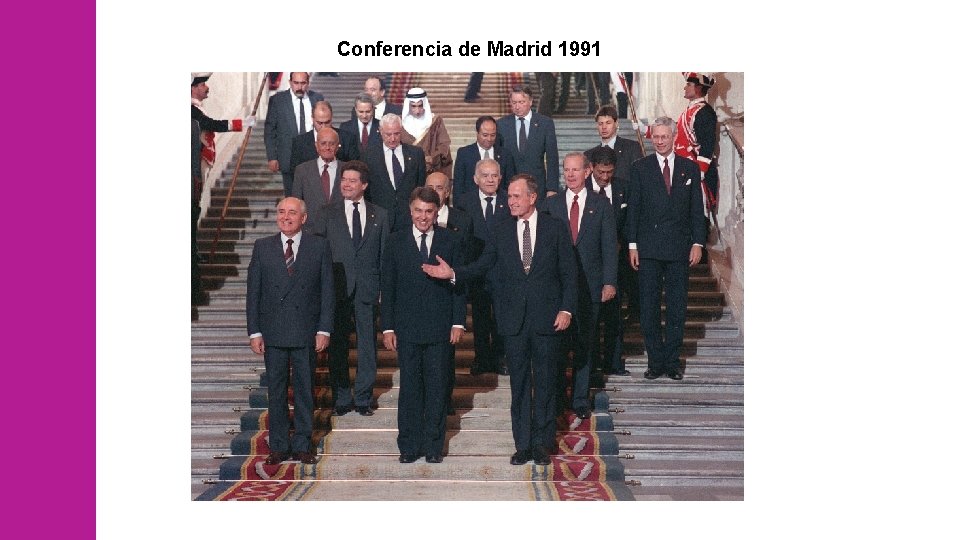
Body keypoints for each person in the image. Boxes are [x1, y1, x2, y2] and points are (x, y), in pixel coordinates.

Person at [424, 175, 577, 466]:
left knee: (546, 383)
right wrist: (454, 273)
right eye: (509, 197)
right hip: (513, 321)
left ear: (533, 198)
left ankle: (542, 444)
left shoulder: (555, 227)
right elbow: (484, 264)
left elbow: (569, 273)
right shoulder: (501, 227)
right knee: (519, 385)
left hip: (548, 319)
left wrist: (566, 309)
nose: (511, 201)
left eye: (517, 196)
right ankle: (523, 445)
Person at [246, 197, 334, 465]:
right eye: (281, 212)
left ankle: (303, 444)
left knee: (305, 390)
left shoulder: (319, 246)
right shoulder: (262, 247)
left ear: (303, 218)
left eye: (292, 213)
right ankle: (279, 445)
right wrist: (254, 332)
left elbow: (327, 291)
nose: (285, 217)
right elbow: (253, 293)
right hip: (273, 332)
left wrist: (324, 329)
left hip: (306, 331)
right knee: (276, 391)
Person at [381, 187, 466, 464]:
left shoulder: (450, 240)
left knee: (437, 388)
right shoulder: (395, 241)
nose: (423, 216)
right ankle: (408, 445)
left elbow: (458, 285)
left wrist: (458, 322)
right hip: (406, 329)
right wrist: (388, 327)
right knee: (410, 389)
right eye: (418, 210)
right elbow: (388, 286)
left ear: (436, 212)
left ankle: (433, 446)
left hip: (440, 328)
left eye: (429, 211)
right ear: (410, 211)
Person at [627, 117, 705, 381]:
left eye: (664, 137)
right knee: (648, 309)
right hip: (648, 249)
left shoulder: (689, 168)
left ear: (674, 137)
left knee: (676, 308)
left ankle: (672, 362)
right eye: (656, 137)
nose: (659, 141)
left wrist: (697, 243)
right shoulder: (640, 168)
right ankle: (655, 362)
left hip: (679, 249)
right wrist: (632, 245)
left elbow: (697, 210)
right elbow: (634, 210)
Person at [541, 153, 617, 419]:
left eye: (575, 170)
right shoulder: (551, 205)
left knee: (585, 343)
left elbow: (609, 246)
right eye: (566, 170)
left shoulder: (601, 204)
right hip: (558, 289)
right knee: (559, 345)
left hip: (590, 286)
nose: (570, 175)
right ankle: (559, 396)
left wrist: (609, 281)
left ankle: (580, 398)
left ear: (587, 172)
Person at [312, 161, 390, 417]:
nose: (346, 184)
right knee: (338, 347)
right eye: (343, 179)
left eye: (352, 180)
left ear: (364, 185)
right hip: (336, 290)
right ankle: (342, 399)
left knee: (368, 347)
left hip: (368, 289)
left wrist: (383, 290)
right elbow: (319, 255)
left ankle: (364, 398)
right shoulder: (326, 212)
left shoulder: (380, 215)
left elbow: (383, 257)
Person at [453, 158, 510, 376]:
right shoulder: (464, 201)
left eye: (494, 175)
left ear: (500, 178)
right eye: (485, 176)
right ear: (476, 179)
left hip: (502, 270)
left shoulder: (509, 199)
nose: (490, 180)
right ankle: (482, 358)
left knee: (501, 317)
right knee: (480, 317)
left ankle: (500, 357)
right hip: (476, 271)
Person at [425, 172, 474, 416]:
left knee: (446, 356)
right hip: (422, 297)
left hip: (450, 292)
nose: (434, 192)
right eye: (430, 187)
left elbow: (466, 260)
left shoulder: (462, 220)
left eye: (439, 188)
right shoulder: (415, 218)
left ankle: (445, 400)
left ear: (447, 192)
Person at [587, 146, 632, 376]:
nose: (605, 177)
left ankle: (613, 363)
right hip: (590, 264)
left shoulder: (623, 188)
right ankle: (593, 364)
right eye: (600, 172)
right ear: (591, 168)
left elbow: (630, 222)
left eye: (609, 172)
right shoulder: (582, 190)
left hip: (617, 263)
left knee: (615, 316)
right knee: (592, 318)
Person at [361, 113, 426, 230]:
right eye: (388, 134)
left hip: (409, 218)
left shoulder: (416, 154)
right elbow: (366, 189)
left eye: (396, 134)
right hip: (380, 219)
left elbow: (420, 185)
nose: (392, 139)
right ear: (381, 131)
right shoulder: (369, 155)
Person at [264, 72, 324, 196]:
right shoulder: (278, 100)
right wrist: (272, 157)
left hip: (313, 157)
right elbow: (270, 131)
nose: (299, 87)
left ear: (308, 83)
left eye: (303, 83)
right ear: (290, 82)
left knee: (314, 197)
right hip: (288, 157)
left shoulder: (317, 99)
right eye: (296, 83)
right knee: (292, 197)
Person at [497, 85, 559, 201]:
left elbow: (552, 158)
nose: (517, 106)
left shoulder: (545, 124)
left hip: (537, 188)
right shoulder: (501, 125)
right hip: (509, 189)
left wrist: (552, 188)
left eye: (521, 102)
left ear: (530, 101)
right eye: (514, 102)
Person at [292, 127, 343, 234]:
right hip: (311, 232)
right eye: (323, 143)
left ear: (338, 146)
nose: (327, 147)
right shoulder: (302, 170)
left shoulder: (347, 170)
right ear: (316, 146)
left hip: (342, 231)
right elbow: (296, 204)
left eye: (332, 144)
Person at [290, 101, 360, 172]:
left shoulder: (347, 139)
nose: (323, 127)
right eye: (319, 123)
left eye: (327, 122)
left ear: (331, 118)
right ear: (312, 119)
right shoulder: (299, 142)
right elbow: (295, 172)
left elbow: (354, 169)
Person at [585, 105, 643, 187]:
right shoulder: (589, 155)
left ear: (616, 124)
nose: (604, 127)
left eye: (608, 123)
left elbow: (639, 178)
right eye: (601, 123)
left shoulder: (631, 148)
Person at [400, 88, 452, 177]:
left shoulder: (435, 121)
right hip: (406, 172)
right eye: (413, 106)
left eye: (420, 106)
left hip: (431, 171)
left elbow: (444, 145)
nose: (417, 111)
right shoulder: (399, 123)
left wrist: (432, 158)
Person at [452, 115, 504, 200]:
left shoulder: (505, 154)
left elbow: (508, 184)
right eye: (485, 135)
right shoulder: (464, 154)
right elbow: (458, 186)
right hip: (471, 203)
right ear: (477, 133)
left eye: (493, 135)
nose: (489, 139)